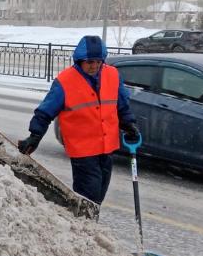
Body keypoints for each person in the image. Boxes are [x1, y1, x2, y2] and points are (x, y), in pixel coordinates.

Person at [17, 35, 139, 207]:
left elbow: (122, 105)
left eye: (98, 62)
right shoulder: (65, 81)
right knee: (89, 198)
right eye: (90, 62)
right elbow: (45, 112)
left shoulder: (112, 75)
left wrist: (129, 123)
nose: (94, 66)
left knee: (98, 196)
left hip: (107, 147)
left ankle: (85, 221)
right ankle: (82, 221)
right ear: (80, 60)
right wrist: (35, 135)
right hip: (83, 150)